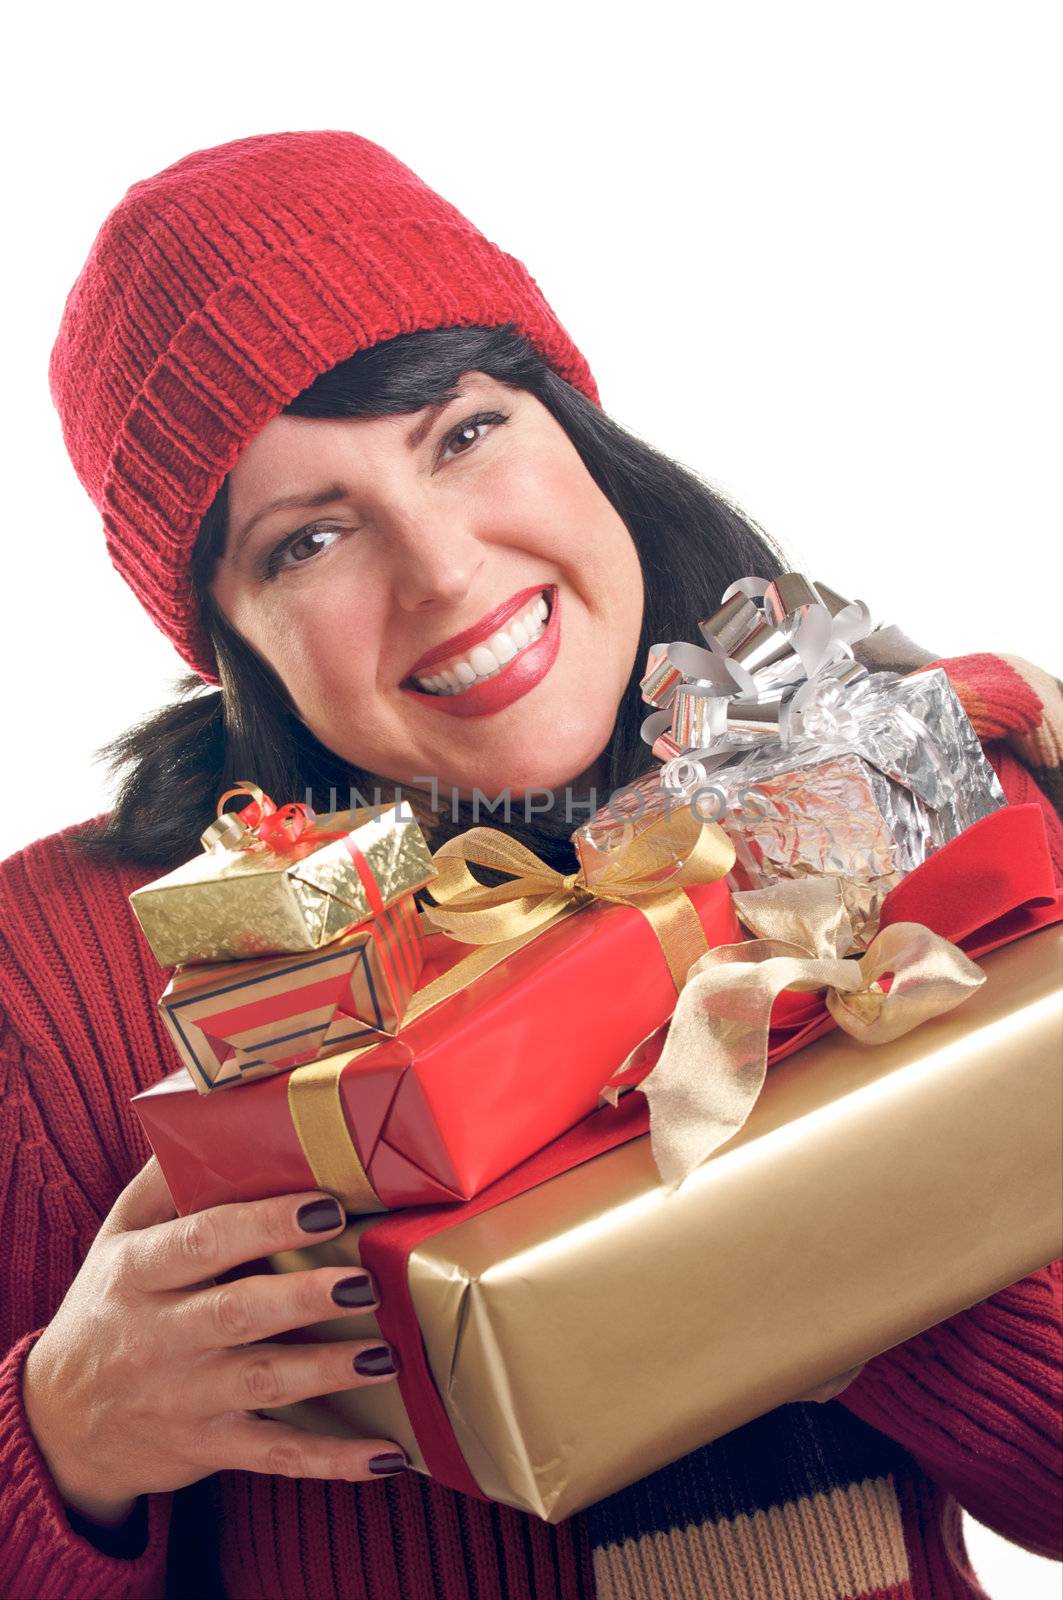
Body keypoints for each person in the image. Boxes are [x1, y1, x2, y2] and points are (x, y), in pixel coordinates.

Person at [1, 130, 1059, 1600]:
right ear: (227, 636)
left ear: (572, 422)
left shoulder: (896, 777)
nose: (442, 570)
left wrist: (828, 1241)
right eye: (308, 539)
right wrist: (60, 1440)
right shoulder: (63, 976)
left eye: (463, 433)